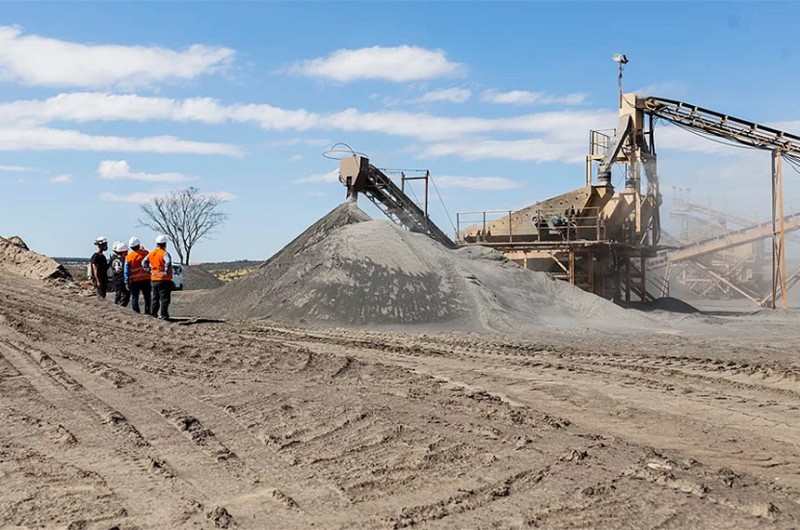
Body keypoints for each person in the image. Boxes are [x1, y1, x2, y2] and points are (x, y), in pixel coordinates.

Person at [143, 234, 174, 320]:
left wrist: (148, 270)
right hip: (164, 280)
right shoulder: (164, 253)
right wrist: (167, 272)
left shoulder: (151, 253)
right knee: (164, 299)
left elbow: (143, 262)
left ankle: (154, 314)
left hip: (154, 279)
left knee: (155, 298)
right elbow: (168, 262)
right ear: (165, 244)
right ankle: (164, 315)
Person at [125, 236, 151, 315]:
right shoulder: (146, 253)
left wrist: (126, 281)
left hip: (134, 281)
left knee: (134, 298)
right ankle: (148, 312)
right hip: (146, 279)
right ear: (139, 245)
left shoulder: (129, 257)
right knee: (147, 298)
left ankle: (136, 314)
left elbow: (126, 271)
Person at [109, 241, 130, 307]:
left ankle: (116, 305)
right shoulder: (124, 260)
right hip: (122, 280)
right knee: (125, 296)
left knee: (118, 295)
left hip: (115, 279)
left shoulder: (113, 258)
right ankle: (120, 307)